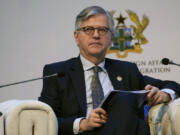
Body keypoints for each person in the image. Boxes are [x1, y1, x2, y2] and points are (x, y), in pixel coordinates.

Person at [39, 6, 180, 135]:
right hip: (84, 132)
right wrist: (82, 123)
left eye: (102, 30)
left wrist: (164, 95)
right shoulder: (57, 72)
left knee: (123, 101)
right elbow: (46, 119)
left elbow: (173, 86)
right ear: (77, 36)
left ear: (111, 38)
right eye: (88, 29)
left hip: (125, 129)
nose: (95, 35)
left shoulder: (126, 70)